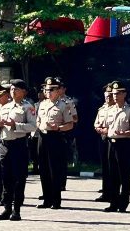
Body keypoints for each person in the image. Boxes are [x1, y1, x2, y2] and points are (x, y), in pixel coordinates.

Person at [0, 79, 37, 221]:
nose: (13, 91)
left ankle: (16, 210)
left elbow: (33, 126)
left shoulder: (27, 107)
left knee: (18, 178)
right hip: (4, 145)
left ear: (23, 91)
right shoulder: (5, 106)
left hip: (18, 145)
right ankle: (7, 208)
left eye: (16, 89)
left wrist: (15, 125)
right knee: (6, 177)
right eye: (11, 89)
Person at [36, 76, 74, 210]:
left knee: (54, 169)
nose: (48, 92)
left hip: (55, 137)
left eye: (51, 90)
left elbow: (70, 124)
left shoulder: (64, 105)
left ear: (58, 91)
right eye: (47, 90)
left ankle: (56, 200)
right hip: (42, 137)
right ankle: (46, 199)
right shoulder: (42, 104)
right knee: (43, 169)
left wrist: (58, 128)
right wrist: (39, 126)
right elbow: (38, 120)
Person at [104, 81, 130, 213]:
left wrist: (125, 133)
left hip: (123, 144)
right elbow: (105, 125)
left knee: (123, 174)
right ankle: (113, 203)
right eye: (113, 93)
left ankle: (123, 203)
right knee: (112, 174)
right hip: (111, 143)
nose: (115, 96)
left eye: (118, 93)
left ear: (124, 94)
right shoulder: (110, 109)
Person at [93, 82, 114, 201]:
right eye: (106, 94)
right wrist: (98, 128)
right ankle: (106, 192)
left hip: (114, 140)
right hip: (103, 139)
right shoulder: (102, 108)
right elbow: (96, 123)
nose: (108, 97)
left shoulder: (118, 109)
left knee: (113, 167)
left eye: (110, 94)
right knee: (105, 167)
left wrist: (108, 130)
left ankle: (114, 192)